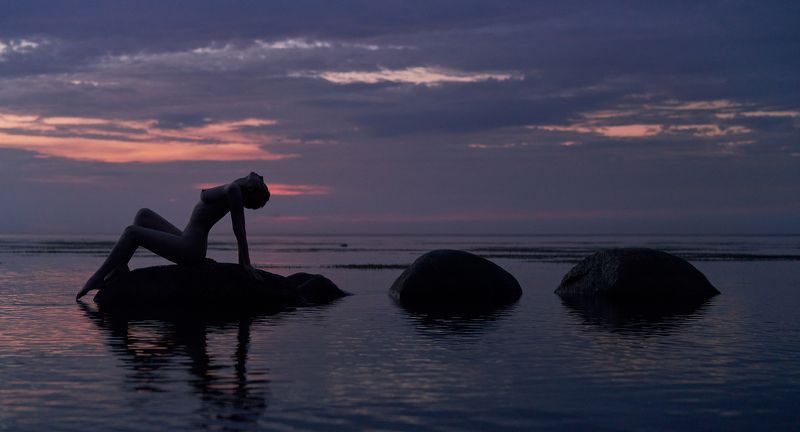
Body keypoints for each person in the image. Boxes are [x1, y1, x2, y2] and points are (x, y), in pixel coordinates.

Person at [76, 172, 270, 300]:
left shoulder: (234, 191)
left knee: (131, 232)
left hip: (190, 249)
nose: (260, 176)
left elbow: (239, 229)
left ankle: (97, 277)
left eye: (261, 183)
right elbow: (205, 194)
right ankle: (120, 268)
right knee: (143, 215)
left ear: (251, 190)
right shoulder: (233, 186)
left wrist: (245, 265)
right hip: (186, 237)